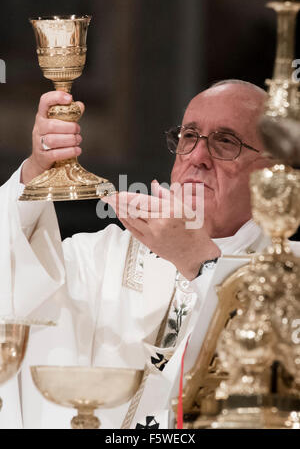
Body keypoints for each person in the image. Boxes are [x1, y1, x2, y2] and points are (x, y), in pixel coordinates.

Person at [1, 80, 298, 429]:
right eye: (189, 137)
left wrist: (201, 264)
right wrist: (37, 172)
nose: (197, 157)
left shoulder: (289, 274)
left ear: (272, 173)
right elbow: (11, 276)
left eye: (225, 142)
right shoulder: (96, 258)